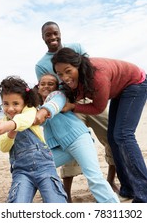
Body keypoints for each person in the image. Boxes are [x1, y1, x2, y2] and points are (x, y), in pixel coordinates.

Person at [51, 47, 147, 203]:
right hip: (120, 89)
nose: (65, 77)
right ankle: (128, 188)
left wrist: (73, 106)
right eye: (60, 74)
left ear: (78, 65)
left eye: (68, 71)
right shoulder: (75, 79)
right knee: (113, 137)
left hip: (136, 84)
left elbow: (98, 108)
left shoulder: (97, 76)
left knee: (123, 136)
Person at [35, 21, 119, 201]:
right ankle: (66, 193)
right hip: (66, 105)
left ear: (60, 32)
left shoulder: (76, 47)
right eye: (48, 35)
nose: (52, 37)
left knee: (110, 136)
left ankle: (111, 180)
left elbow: (90, 71)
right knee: (70, 142)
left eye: (55, 33)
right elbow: (49, 92)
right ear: (43, 38)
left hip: (89, 99)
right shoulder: (41, 64)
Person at [33, 73, 119, 203]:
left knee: (94, 178)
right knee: (36, 167)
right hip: (60, 147)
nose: (46, 86)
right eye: (42, 84)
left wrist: (43, 112)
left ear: (57, 87)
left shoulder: (58, 96)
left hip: (78, 139)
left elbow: (54, 105)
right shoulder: (36, 107)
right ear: (38, 87)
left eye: (50, 84)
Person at [0, 75, 67, 203]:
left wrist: (9, 126)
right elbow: (3, 147)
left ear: (25, 103)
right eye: (5, 104)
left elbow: (24, 121)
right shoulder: (5, 121)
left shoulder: (30, 112)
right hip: (21, 172)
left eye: (15, 103)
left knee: (56, 201)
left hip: (45, 168)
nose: (10, 109)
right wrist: (10, 133)